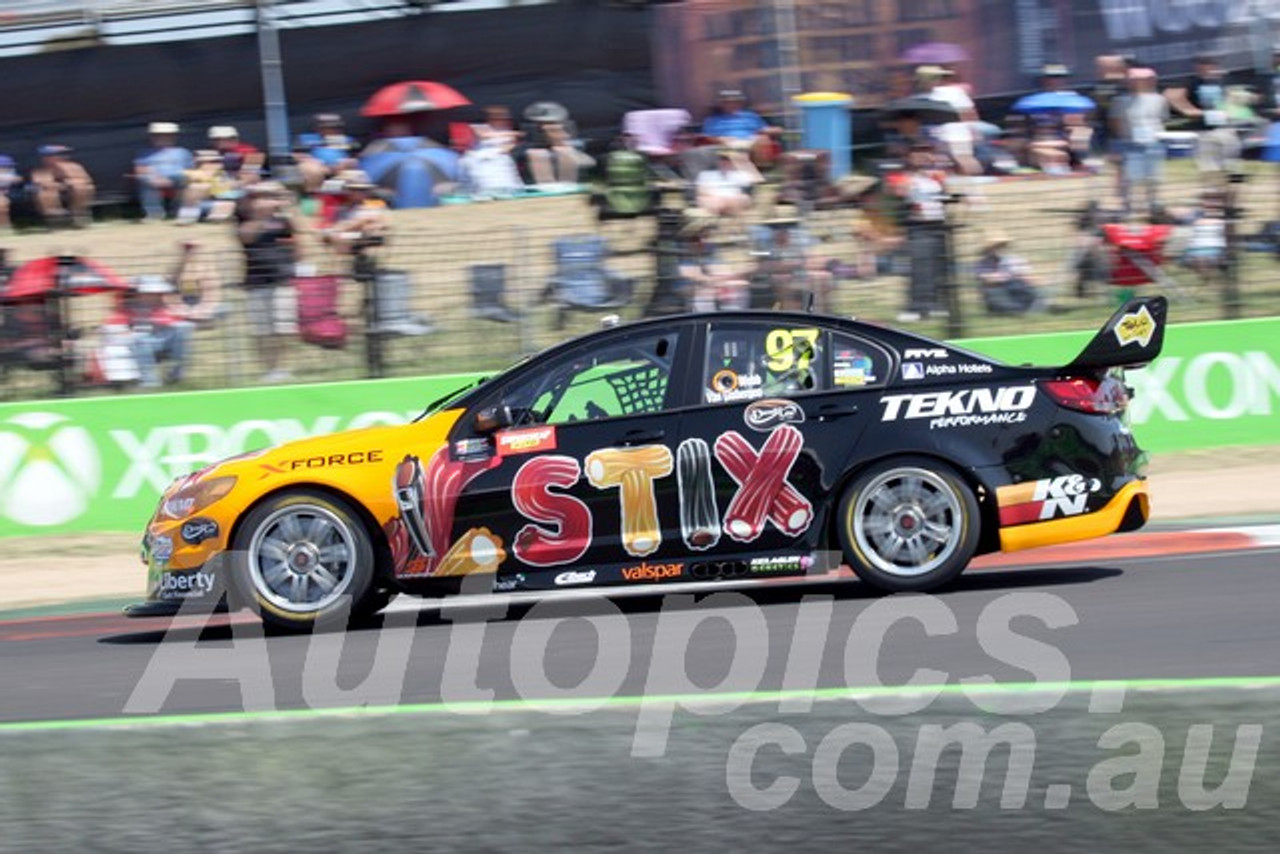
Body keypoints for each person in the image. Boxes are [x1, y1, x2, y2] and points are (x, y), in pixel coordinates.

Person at [237, 181, 298, 382]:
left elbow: (300, 235)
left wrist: (287, 206)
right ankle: (269, 369)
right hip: (257, 281)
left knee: (283, 328)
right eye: (261, 197)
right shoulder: (243, 218)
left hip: (282, 280)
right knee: (262, 331)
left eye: (270, 196)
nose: (266, 201)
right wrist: (260, 215)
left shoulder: (283, 220)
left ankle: (283, 368)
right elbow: (246, 237)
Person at [106, 275, 195, 387]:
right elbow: (115, 332)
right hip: (136, 346)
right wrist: (131, 335)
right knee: (140, 340)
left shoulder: (161, 308)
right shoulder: (126, 309)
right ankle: (150, 382)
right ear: (140, 294)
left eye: (158, 293)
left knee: (183, 328)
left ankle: (176, 374)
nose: (157, 296)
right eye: (151, 293)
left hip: (161, 343)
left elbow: (173, 323)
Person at [1166, 56, 1241, 184]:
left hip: (1224, 128)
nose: (1209, 67)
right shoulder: (1191, 82)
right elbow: (1170, 95)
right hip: (1202, 132)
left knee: (1232, 166)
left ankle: (1231, 192)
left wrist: (1229, 109)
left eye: (1212, 64)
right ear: (1198, 67)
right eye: (1204, 64)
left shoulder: (1221, 82)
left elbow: (1232, 100)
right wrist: (1189, 110)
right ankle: (1212, 194)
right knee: (1209, 166)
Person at [895, 145, 949, 321]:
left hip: (937, 225)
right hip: (919, 226)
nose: (923, 158)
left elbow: (945, 195)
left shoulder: (936, 177)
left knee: (936, 267)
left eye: (926, 154)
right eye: (917, 155)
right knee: (920, 268)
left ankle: (934, 304)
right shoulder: (906, 178)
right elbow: (899, 193)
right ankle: (915, 308)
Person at [1110, 67, 1169, 217]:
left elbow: (1161, 119)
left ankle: (1153, 203)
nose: (1137, 83)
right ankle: (1127, 206)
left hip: (1153, 142)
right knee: (1129, 178)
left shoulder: (1159, 99)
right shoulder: (1121, 101)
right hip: (1130, 142)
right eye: (1133, 80)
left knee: (1154, 176)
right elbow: (1115, 122)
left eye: (1141, 80)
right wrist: (1123, 138)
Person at [677, 208, 747, 311]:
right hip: (687, 291)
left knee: (737, 290)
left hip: (710, 287)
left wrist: (721, 281)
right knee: (703, 296)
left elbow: (721, 270)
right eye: (701, 232)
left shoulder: (709, 247)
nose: (705, 236)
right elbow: (687, 275)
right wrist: (711, 281)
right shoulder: (679, 249)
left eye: (707, 231)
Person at [701, 88, 781, 166]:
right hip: (728, 144)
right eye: (728, 102)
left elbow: (763, 129)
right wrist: (720, 139)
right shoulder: (712, 120)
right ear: (722, 104)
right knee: (733, 146)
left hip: (750, 142)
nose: (732, 104)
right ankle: (751, 174)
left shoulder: (750, 116)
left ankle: (764, 169)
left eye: (736, 102)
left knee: (762, 139)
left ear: (740, 103)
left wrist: (775, 130)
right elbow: (708, 136)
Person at [521, 102, 594, 185]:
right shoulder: (532, 152)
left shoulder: (571, 148)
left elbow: (589, 163)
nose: (564, 135)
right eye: (552, 130)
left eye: (562, 129)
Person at [134, 122, 193, 221]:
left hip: (178, 177)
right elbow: (140, 168)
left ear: (173, 137)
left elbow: (190, 169)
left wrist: (178, 177)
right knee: (144, 178)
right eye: (156, 135)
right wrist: (156, 177)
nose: (160, 138)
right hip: (154, 177)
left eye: (165, 135)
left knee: (186, 180)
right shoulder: (145, 152)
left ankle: (178, 211)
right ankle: (154, 214)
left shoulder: (183, 152)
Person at [975, 232, 1046, 315]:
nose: (1001, 248)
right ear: (990, 249)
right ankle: (1022, 309)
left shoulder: (1013, 259)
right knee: (1012, 286)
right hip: (997, 294)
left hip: (1015, 292)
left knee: (1023, 288)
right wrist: (1010, 276)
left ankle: (1030, 307)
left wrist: (1028, 278)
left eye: (1003, 245)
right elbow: (988, 280)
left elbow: (1028, 277)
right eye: (997, 246)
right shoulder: (984, 263)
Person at [30, 144, 95, 228]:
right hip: (55, 194)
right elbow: (43, 184)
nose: (64, 157)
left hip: (73, 193)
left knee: (81, 187)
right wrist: (61, 185)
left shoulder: (74, 167)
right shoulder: (40, 171)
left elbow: (86, 180)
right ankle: (56, 219)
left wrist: (70, 181)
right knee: (45, 193)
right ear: (46, 158)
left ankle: (79, 215)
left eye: (64, 154)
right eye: (59, 155)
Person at [296, 113, 358, 194]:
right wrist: (312, 161)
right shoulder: (307, 139)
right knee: (311, 169)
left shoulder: (346, 140)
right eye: (330, 127)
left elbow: (356, 155)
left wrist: (345, 162)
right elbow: (296, 155)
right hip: (318, 169)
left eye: (337, 127)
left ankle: (333, 191)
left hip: (339, 169)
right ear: (318, 128)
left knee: (353, 167)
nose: (335, 130)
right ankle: (314, 194)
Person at [695, 149, 762, 222]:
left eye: (728, 160)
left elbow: (758, 181)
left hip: (734, 201)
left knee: (743, 199)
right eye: (722, 160)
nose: (725, 163)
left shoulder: (739, 174)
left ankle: (732, 221)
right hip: (714, 201)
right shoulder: (706, 174)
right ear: (718, 162)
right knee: (709, 201)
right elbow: (702, 191)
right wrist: (720, 199)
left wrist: (744, 163)